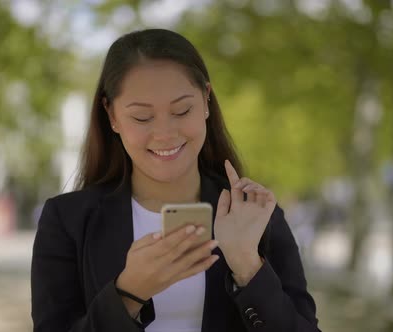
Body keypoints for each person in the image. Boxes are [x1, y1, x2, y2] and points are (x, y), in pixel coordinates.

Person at [31, 28, 320, 332]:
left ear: (206, 100)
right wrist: (129, 293)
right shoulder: (68, 221)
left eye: (182, 110)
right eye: (142, 117)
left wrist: (247, 266)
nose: (165, 133)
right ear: (112, 115)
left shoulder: (257, 216)